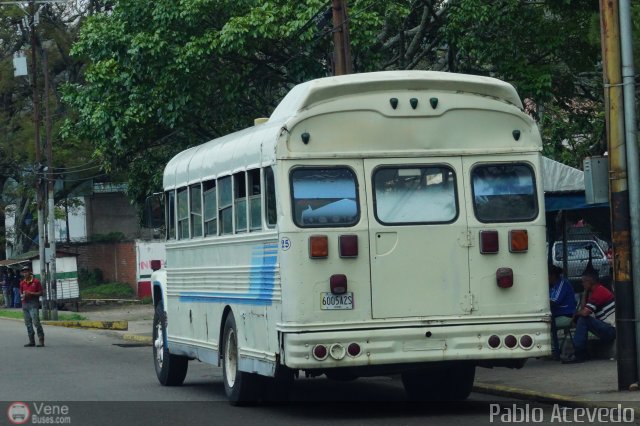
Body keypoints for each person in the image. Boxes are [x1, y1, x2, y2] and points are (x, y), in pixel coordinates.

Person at [563, 268, 615, 364]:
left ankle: (579, 353)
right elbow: (584, 309)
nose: (582, 284)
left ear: (590, 281)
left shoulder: (600, 292)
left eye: (584, 282)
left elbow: (584, 313)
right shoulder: (596, 292)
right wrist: (585, 292)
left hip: (611, 330)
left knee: (583, 320)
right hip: (607, 328)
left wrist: (576, 315)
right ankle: (580, 352)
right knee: (583, 319)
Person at [548, 265, 576, 359]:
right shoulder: (552, 286)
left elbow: (555, 301)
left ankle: (554, 350)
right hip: (556, 314)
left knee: (545, 325)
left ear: (552, 275)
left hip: (566, 315)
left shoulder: (562, 284)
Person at [19, 265, 45, 347]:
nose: (25, 273)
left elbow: (41, 293)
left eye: (26, 272)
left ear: (30, 272)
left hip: (33, 303)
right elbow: (21, 293)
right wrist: (23, 296)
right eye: (24, 272)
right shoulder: (22, 283)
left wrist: (31, 293)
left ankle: (41, 340)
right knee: (28, 323)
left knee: (36, 322)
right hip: (25, 304)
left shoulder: (36, 282)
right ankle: (31, 341)